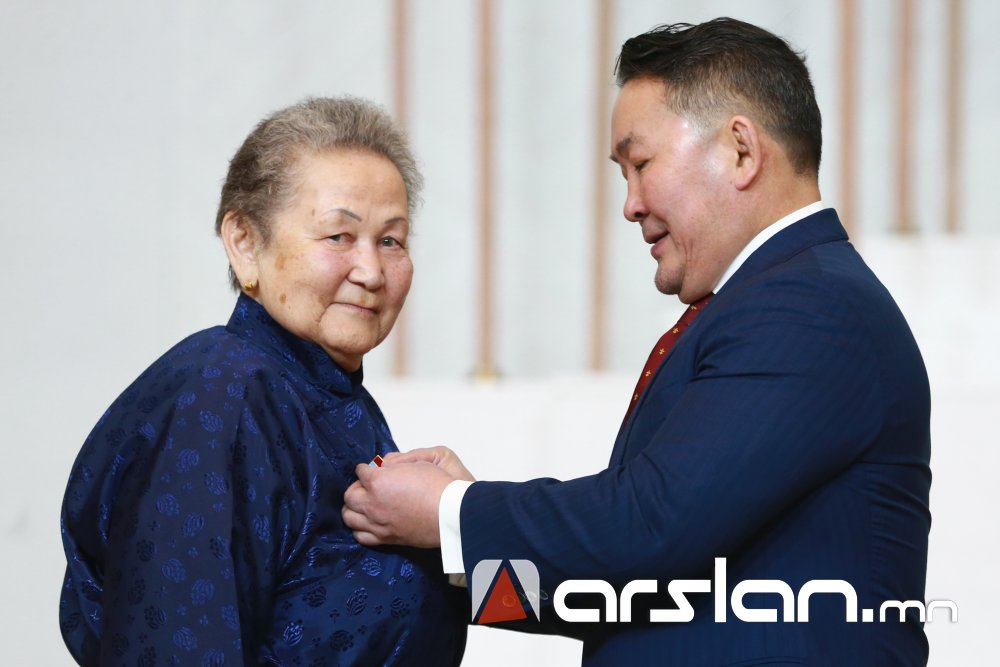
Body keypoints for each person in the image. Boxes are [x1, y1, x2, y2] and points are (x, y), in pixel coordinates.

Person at [342, 18, 931, 666]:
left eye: (642, 164)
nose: (630, 204)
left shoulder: (811, 306)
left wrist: (453, 513)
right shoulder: (771, 303)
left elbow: (648, 528)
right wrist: (448, 545)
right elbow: (616, 590)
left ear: (741, 150)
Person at [59, 97, 468, 666]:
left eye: (391, 241)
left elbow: (527, 603)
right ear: (245, 243)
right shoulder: (221, 395)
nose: (371, 272)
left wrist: (466, 517)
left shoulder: (337, 400)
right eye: (338, 236)